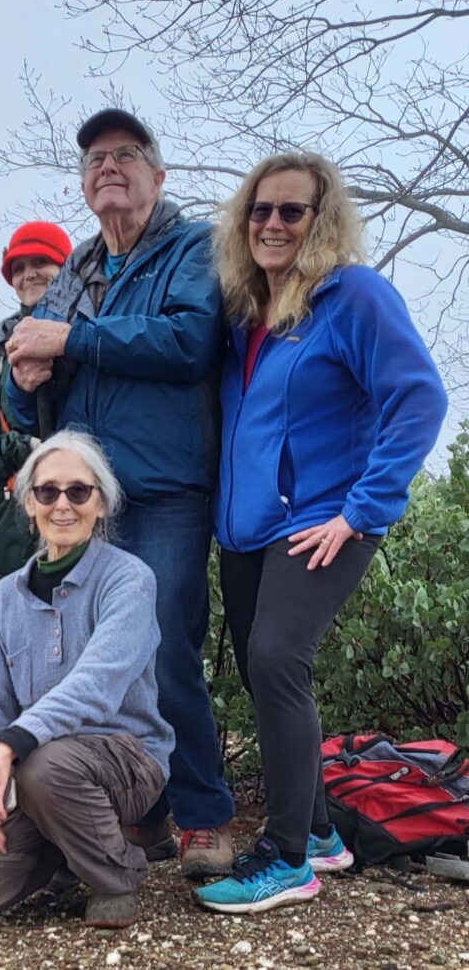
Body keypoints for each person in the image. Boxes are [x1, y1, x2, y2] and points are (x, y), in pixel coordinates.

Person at [193, 153, 447, 913]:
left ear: (321, 220)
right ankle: (324, 835)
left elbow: (420, 399)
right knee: (265, 672)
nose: (272, 224)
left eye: (291, 211)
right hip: (245, 531)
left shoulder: (353, 297)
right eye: (260, 211)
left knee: (275, 659)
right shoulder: (245, 315)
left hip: (321, 524)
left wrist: (361, 510)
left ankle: (290, 858)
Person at [4, 108, 235, 876]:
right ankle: (144, 816)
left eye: (125, 155)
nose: (108, 167)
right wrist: (23, 368)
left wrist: (69, 340)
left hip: (166, 487)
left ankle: (205, 817)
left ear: (158, 177)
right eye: (95, 159)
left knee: (166, 648)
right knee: (92, 660)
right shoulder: (75, 266)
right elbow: (32, 354)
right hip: (84, 498)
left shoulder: (193, 247)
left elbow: (187, 339)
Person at [0, 430, 173, 928]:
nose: (63, 504)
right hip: (37, 768)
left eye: (78, 491)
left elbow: (97, 685)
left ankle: (117, 873)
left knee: (44, 767)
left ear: (101, 503)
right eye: (47, 492)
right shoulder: (2, 598)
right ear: (29, 503)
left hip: (125, 758)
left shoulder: (130, 579)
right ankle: (68, 852)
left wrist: (8, 747)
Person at [0, 221, 73, 578]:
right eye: (18, 268)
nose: (28, 275)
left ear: (65, 268)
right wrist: (22, 448)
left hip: (89, 508)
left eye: (41, 262)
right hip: (17, 522)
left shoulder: (94, 330)